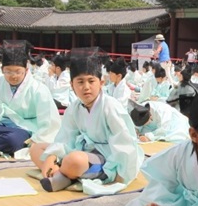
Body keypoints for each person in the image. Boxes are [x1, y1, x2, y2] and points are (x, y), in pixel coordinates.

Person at [30, 47, 144, 192]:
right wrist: (52, 157)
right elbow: (65, 137)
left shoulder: (110, 106)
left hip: (107, 158)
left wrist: (120, 177)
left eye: (91, 81)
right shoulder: (74, 107)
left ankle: (63, 174)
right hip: (83, 151)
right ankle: (63, 173)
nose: (86, 87)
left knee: (74, 161)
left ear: (101, 83)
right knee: (36, 149)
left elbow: (125, 144)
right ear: (72, 85)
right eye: (80, 82)